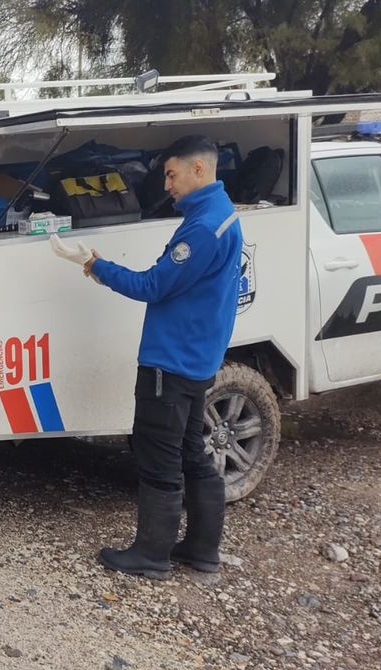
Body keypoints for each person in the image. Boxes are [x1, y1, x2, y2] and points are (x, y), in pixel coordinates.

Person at [51, 135, 242, 579]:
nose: (167, 185)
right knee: (192, 451)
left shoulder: (200, 227)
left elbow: (153, 286)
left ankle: (152, 555)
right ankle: (200, 549)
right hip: (197, 360)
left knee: (159, 456)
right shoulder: (222, 214)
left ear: (199, 170)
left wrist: (95, 264)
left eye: (172, 175)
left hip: (170, 362)